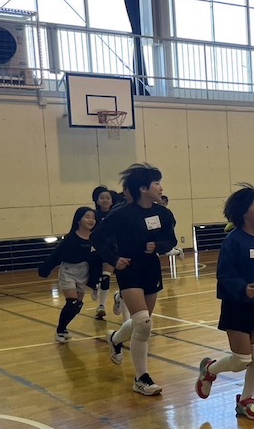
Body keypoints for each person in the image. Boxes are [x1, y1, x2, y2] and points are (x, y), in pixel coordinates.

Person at [194, 185, 254, 421]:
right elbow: (224, 274)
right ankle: (209, 370)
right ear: (244, 212)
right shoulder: (233, 241)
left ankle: (245, 399)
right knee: (242, 360)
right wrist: (243, 289)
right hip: (238, 306)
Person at [91, 163, 177, 396]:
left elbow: (171, 241)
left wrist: (158, 246)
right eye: (156, 183)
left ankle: (116, 339)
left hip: (151, 270)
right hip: (129, 271)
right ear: (142, 188)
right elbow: (97, 239)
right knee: (144, 324)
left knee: (142, 321)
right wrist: (115, 258)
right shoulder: (120, 214)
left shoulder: (163, 213)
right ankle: (141, 378)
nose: (160, 187)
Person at [38, 206, 97, 343]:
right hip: (68, 271)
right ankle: (60, 330)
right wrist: (46, 268)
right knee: (72, 302)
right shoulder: (70, 238)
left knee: (78, 305)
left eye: (93, 218)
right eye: (87, 217)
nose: (91, 220)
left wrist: (96, 280)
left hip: (84, 272)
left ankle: (64, 328)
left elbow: (98, 259)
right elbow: (56, 255)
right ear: (78, 220)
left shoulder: (95, 238)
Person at [91, 186, 117, 319]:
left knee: (106, 276)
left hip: (112, 249)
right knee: (98, 275)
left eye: (108, 198)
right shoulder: (93, 215)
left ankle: (101, 306)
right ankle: (95, 285)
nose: (105, 200)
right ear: (97, 200)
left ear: (112, 201)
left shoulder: (116, 213)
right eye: (102, 198)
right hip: (97, 249)